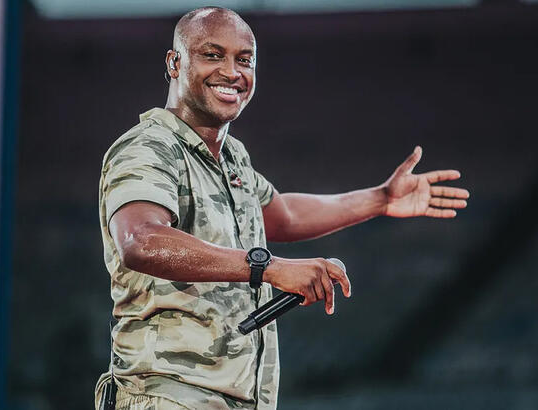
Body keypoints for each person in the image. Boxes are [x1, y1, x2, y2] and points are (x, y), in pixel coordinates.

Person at [94, 7, 469, 410]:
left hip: (230, 399)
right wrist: (269, 268)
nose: (232, 71)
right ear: (175, 63)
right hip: (167, 394)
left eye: (244, 59)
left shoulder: (231, 156)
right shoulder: (149, 147)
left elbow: (282, 215)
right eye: (212, 55)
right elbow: (141, 240)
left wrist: (379, 199)